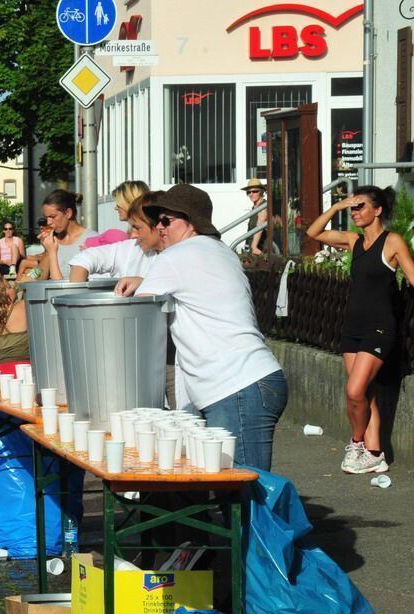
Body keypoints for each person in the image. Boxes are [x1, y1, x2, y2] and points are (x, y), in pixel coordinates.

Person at [115, 184, 288, 471]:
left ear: (191, 222)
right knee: (233, 489)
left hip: (236, 388)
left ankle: (279, 519)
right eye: (157, 220)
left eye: (166, 220)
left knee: (245, 494)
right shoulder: (219, 251)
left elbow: (136, 318)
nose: (159, 227)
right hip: (252, 381)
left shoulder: (175, 257)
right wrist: (142, 281)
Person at [305, 186, 414, 474]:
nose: (355, 212)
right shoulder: (353, 241)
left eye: (360, 206)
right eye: (353, 208)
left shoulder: (392, 242)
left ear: (377, 210)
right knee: (365, 392)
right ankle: (375, 453)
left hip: (380, 327)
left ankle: (355, 443)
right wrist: (338, 206)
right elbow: (313, 233)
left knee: (354, 391)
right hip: (352, 327)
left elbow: (413, 276)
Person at [69, 191, 163, 282]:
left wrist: (141, 283)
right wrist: (77, 290)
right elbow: (85, 258)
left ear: (159, 225)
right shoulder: (133, 248)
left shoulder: (176, 257)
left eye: (137, 228)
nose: (133, 235)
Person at [21, 189, 97, 281]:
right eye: (46, 217)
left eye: (52, 217)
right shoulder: (53, 241)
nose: (48, 222)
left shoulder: (92, 239)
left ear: (68, 213)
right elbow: (37, 276)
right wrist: (48, 252)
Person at [242, 179, 269, 255]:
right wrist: (247, 250)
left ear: (261, 192)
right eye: (249, 192)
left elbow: (260, 226)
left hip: (259, 250)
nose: (251, 194)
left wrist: (254, 247)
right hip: (250, 250)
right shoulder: (255, 207)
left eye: (255, 191)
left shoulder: (263, 207)